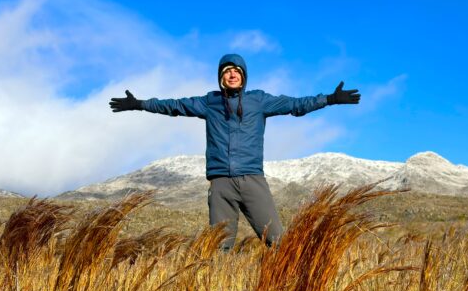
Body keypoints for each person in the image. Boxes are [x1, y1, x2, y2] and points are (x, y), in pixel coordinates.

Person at [109, 53, 360, 250]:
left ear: (244, 76)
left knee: (278, 241)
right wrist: (140, 104)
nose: (231, 75)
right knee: (218, 247)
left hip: (252, 179)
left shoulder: (258, 100)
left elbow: (296, 105)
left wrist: (329, 99)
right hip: (220, 184)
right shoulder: (210, 102)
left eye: (236, 71)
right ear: (220, 77)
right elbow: (174, 106)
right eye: (227, 72)